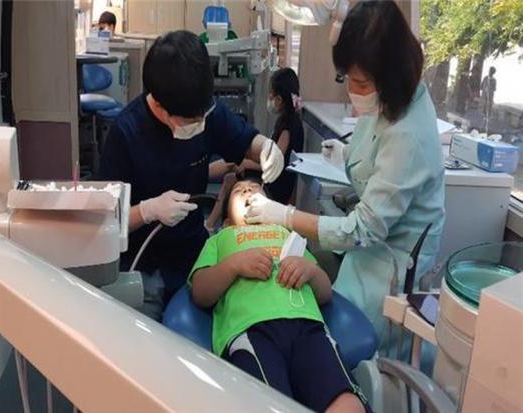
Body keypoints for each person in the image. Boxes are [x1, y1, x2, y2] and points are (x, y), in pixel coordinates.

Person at [244, 0, 446, 340]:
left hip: (388, 265)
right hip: (364, 251)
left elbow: (363, 230)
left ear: (389, 77)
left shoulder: (410, 135)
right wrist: (345, 154)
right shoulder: (387, 101)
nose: (353, 91)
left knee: (355, 345)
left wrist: (283, 215)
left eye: (362, 83)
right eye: (348, 79)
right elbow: (376, 150)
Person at [99, 30, 284, 320]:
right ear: (159, 105)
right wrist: (146, 211)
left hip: (194, 253)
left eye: (203, 116)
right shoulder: (126, 133)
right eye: (190, 121)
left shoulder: (205, 110)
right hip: (145, 262)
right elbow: (105, 221)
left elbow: (245, 141)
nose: (200, 124)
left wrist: (266, 148)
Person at [189, 173, 366, 413]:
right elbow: (200, 292)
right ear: (228, 221)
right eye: (239, 191)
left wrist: (311, 271)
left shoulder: (287, 236)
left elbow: (325, 293)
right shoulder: (221, 239)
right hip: (253, 328)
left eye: (255, 188)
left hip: (308, 326)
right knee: (271, 406)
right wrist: (233, 265)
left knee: (350, 406)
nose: (248, 191)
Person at [265, 68, 304, 204]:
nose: (269, 97)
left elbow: (275, 160)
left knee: (232, 169)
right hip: (276, 179)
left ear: (279, 99)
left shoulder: (288, 126)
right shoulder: (289, 120)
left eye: (271, 93)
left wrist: (247, 163)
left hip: (277, 187)